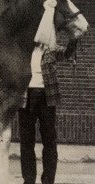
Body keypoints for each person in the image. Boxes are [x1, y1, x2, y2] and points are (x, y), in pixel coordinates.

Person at [18, 40, 78, 184]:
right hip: (26, 97)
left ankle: (48, 180)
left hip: (47, 97)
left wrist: (73, 40)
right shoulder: (23, 49)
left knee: (49, 140)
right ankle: (29, 180)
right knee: (26, 141)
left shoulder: (51, 48)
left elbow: (66, 53)